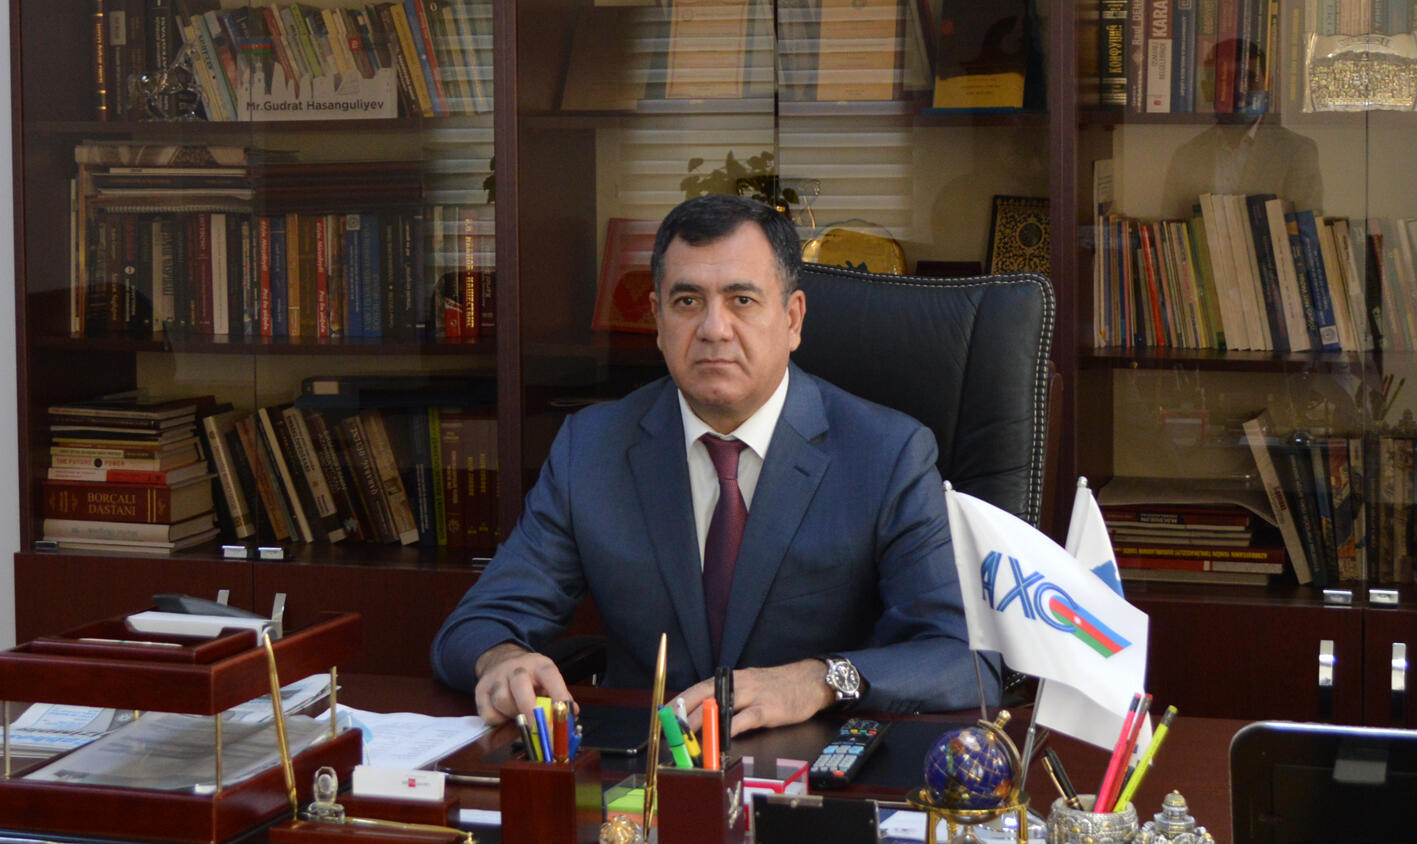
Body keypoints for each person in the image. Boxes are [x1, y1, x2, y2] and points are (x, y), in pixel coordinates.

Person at [431, 194, 996, 735]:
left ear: (792, 318)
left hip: (813, 769)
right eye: (687, 301)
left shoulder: (887, 454)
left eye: (741, 300)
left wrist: (818, 680)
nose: (713, 329)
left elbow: (963, 658)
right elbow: (477, 624)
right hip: (644, 766)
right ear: (657, 320)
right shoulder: (593, 447)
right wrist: (502, 660)